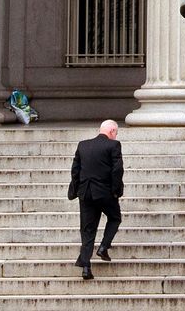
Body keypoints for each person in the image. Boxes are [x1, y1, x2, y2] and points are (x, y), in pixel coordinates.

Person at [67, 119, 123, 279]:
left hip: (86, 193)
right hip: (105, 192)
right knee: (115, 218)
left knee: (87, 230)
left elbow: (75, 170)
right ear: (112, 131)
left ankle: (86, 266)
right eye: (116, 133)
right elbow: (117, 170)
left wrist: (77, 190)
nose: (115, 136)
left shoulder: (83, 145)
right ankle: (104, 246)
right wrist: (116, 191)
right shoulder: (114, 145)